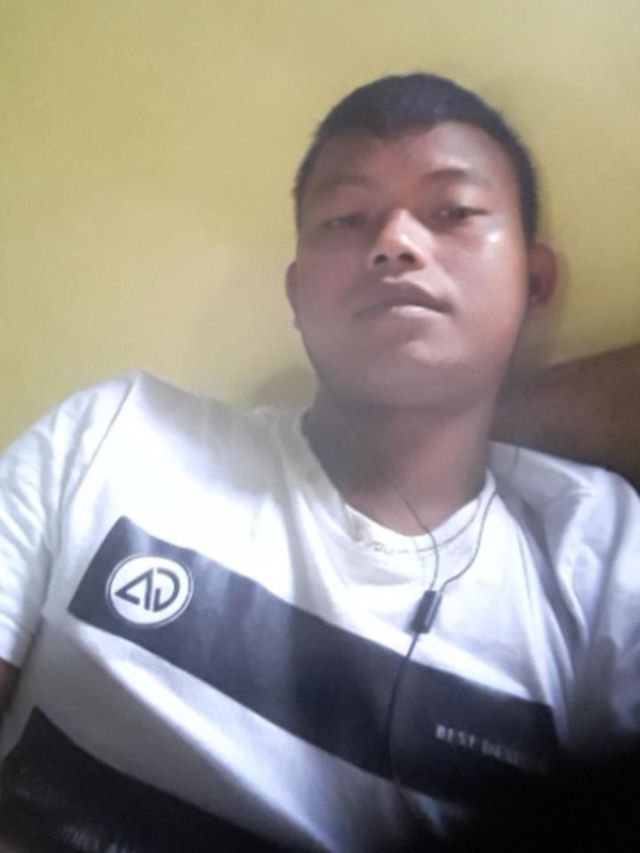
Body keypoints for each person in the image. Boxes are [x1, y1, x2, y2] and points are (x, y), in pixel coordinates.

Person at [0, 73, 638, 853]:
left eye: (452, 212)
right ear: (299, 294)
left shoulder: (600, 558)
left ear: (534, 283)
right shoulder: (116, 437)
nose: (396, 241)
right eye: (346, 217)